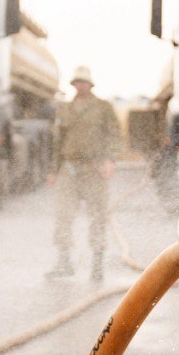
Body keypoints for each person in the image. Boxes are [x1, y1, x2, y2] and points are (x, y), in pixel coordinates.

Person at [48, 66, 120, 283]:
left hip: (94, 168)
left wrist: (110, 159)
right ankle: (64, 262)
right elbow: (57, 142)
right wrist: (53, 171)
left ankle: (97, 264)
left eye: (84, 82)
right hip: (68, 169)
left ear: (90, 84)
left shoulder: (103, 107)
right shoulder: (64, 109)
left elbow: (114, 135)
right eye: (77, 82)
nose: (80, 85)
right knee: (63, 215)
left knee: (98, 216)